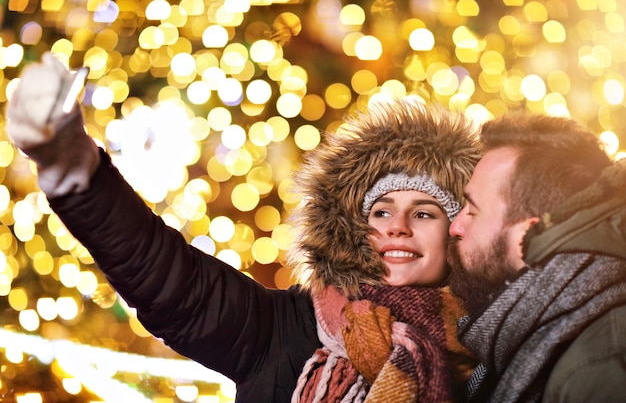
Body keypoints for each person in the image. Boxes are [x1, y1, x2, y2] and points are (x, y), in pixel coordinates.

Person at [6, 53, 478, 403]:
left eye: (423, 213)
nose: (397, 226)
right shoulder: (283, 328)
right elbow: (171, 281)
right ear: (353, 230)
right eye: (379, 211)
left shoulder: (490, 350)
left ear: (456, 231)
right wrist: (78, 173)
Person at [447, 111, 626, 403]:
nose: (455, 226)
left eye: (473, 211)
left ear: (525, 238)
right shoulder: (523, 329)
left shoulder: (601, 366)